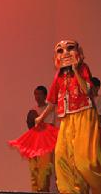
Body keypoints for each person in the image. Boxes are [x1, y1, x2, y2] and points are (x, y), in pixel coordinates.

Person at [36, 40, 101, 193]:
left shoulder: (83, 68)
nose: (65, 53)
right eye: (60, 50)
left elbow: (86, 91)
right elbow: (52, 101)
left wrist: (76, 70)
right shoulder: (58, 76)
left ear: (79, 52)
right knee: (61, 158)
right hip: (66, 120)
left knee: (84, 162)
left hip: (84, 116)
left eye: (70, 48)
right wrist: (41, 117)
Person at [28, 86, 55, 192]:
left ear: (45, 96)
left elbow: (51, 127)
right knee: (34, 170)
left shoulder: (50, 110)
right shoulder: (33, 110)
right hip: (34, 144)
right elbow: (31, 126)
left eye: (39, 94)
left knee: (44, 172)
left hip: (46, 145)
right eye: (35, 94)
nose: (37, 96)